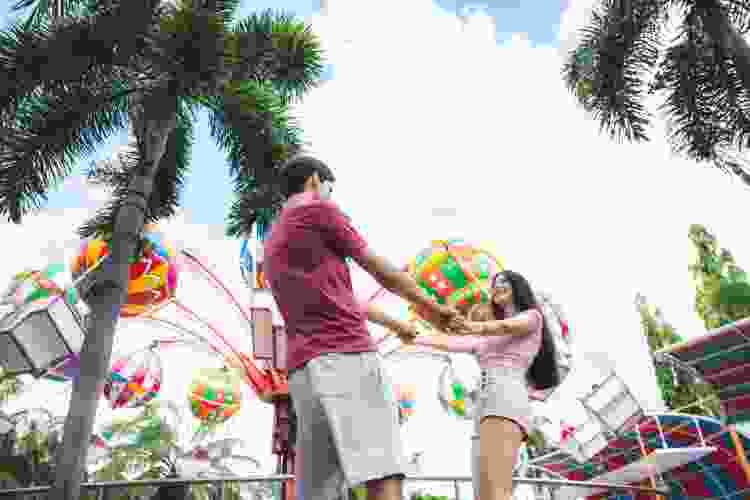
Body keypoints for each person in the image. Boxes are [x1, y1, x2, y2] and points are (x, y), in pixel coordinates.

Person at [263, 155, 458, 500]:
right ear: (314, 181)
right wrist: (434, 309)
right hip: (348, 357)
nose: (331, 197)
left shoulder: (276, 235)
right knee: (383, 473)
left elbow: (343, 298)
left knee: (321, 489)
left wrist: (396, 323)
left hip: (304, 373)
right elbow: (380, 268)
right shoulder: (320, 212)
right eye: (330, 189)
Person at [396, 270, 559, 500]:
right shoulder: (488, 337)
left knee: (496, 491)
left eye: (504, 282)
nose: (497, 286)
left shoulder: (532, 317)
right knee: (483, 495)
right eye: (494, 284)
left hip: (505, 396)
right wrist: (412, 337)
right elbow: (452, 342)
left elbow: (504, 327)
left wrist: (470, 326)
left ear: (519, 287)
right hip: (484, 404)